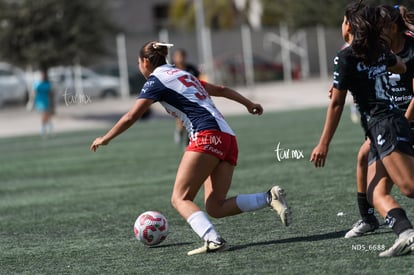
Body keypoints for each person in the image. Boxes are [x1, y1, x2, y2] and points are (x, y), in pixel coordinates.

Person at [90, 41, 291, 255]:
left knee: (180, 198)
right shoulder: (183, 74)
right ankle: (269, 198)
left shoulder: (156, 81)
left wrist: (106, 138)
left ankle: (213, 240)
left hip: (206, 135)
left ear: (146, 62)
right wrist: (248, 103)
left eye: (139, 62)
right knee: (215, 206)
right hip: (228, 138)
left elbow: (132, 116)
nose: (139, 66)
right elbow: (220, 89)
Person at [310, 2, 414, 257]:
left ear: (349, 25)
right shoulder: (378, 49)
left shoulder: (346, 56)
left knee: (409, 187)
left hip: (385, 124)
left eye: (343, 20)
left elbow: (336, 104)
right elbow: (399, 66)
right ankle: (406, 233)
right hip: (382, 125)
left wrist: (323, 143)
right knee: (374, 192)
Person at [345, 4, 414, 239]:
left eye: (380, 27)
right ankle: (368, 218)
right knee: (363, 156)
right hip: (391, 120)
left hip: (404, 119)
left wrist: (404, 120)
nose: (376, 30)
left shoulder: (412, 50)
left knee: (408, 186)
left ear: (393, 28)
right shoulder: (378, 49)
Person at [171, 48, 201, 146]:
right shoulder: (171, 70)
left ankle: (189, 143)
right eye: (178, 56)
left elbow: (198, 81)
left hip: (192, 98)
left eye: (182, 56)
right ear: (174, 58)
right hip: (177, 98)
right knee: (182, 120)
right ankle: (180, 131)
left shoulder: (191, 69)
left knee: (191, 120)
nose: (181, 59)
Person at [33, 69, 54, 137]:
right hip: (39, 101)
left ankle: (49, 127)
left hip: (46, 101)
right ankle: (43, 129)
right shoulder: (37, 83)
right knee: (44, 114)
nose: (42, 76)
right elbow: (34, 92)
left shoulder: (47, 84)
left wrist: (52, 102)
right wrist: (32, 101)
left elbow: (50, 93)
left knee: (47, 115)